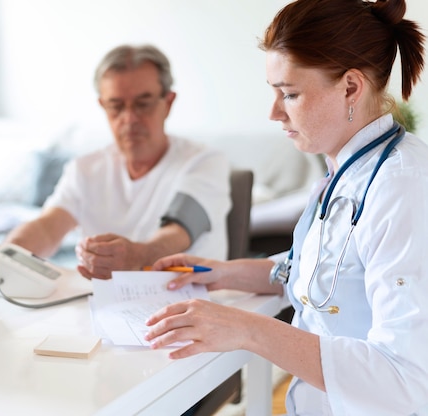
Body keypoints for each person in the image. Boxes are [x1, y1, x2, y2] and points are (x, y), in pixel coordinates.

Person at [144, 0, 428, 414]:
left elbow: (406, 382)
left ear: (351, 87)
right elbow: (317, 274)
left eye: (290, 94)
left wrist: (248, 329)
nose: (274, 112)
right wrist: (217, 272)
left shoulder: (401, 189)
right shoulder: (345, 172)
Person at [0, 44, 230, 289]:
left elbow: (179, 231)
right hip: (110, 306)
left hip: (194, 303)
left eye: (143, 104)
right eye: (116, 106)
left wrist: (137, 256)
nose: (129, 118)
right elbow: (48, 226)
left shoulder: (204, 162)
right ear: (102, 106)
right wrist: (8, 253)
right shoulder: (86, 168)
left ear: (169, 102)